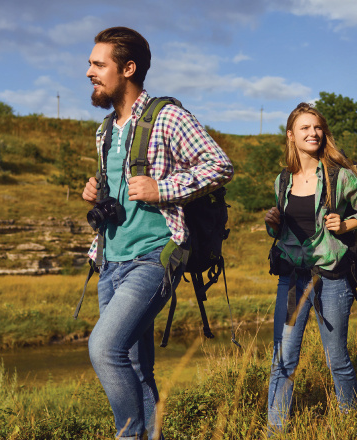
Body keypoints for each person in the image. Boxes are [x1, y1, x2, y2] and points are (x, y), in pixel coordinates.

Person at [80, 27, 233, 440]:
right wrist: (94, 193)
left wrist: (162, 188)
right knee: (133, 364)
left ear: (128, 68)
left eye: (98, 64)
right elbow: (120, 193)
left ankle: (127, 436)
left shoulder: (168, 117)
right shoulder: (105, 130)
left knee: (103, 349)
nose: (89, 71)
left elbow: (219, 165)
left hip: (153, 258)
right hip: (109, 260)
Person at [263, 103, 357, 434]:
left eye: (317, 128)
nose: (313, 133)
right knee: (283, 358)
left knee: (336, 359)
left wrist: (344, 226)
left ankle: (349, 424)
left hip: (332, 279)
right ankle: (276, 429)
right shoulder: (282, 180)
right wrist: (273, 223)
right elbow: (282, 232)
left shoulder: (339, 177)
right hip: (292, 281)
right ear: (291, 136)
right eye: (305, 128)